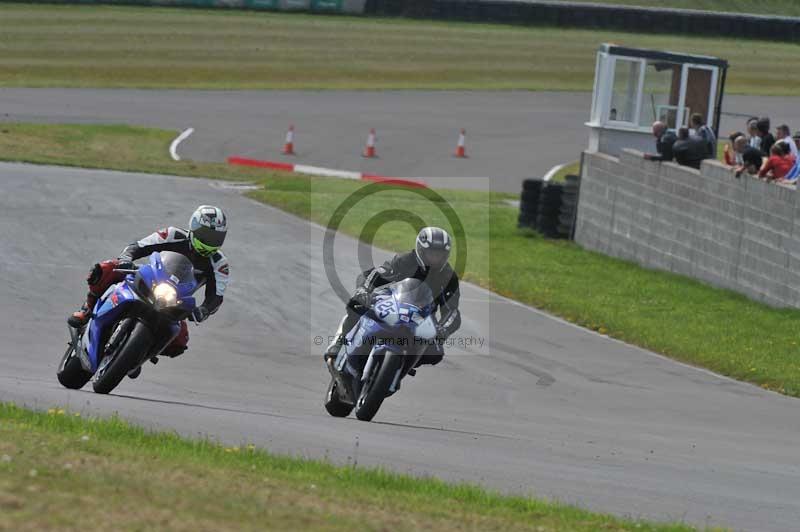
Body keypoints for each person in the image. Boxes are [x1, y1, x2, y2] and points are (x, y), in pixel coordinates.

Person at [67, 205, 230, 360]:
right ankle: (87, 311)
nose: (211, 241)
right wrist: (126, 259)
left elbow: (216, 296)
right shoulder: (173, 234)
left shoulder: (219, 263)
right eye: (207, 235)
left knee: (180, 341)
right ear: (194, 227)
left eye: (216, 238)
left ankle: (138, 355)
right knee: (106, 269)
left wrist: (204, 310)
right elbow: (139, 246)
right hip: (151, 278)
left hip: (176, 301)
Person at [324, 227, 461, 370]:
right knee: (357, 305)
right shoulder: (406, 260)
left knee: (435, 352)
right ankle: (340, 341)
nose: (435, 258)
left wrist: (443, 329)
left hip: (422, 316)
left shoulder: (448, 276)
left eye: (439, 255)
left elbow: (452, 312)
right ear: (421, 250)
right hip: (393, 302)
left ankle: (402, 366)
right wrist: (364, 290)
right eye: (431, 253)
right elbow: (378, 273)